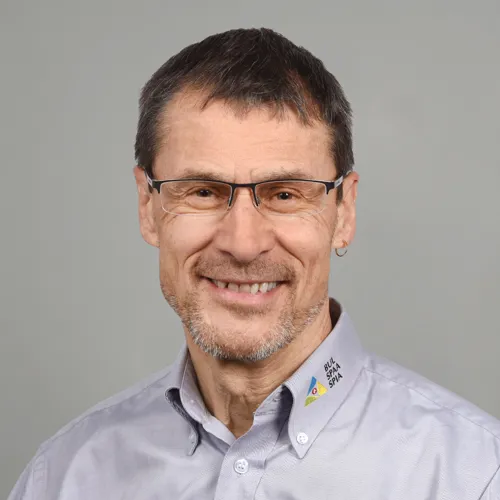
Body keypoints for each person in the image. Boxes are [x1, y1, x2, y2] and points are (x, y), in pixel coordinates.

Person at [9, 27, 500, 500]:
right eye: (203, 191)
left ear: (344, 212)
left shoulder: (474, 476)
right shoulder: (64, 478)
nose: (243, 244)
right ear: (147, 206)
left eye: (285, 194)